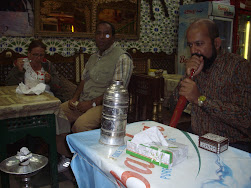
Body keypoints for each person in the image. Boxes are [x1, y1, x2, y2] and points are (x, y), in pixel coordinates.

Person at [56, 21, 133, 172]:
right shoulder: (93, 57)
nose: (101, 37)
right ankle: (67, 157)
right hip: (84, 101)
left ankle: (90, 166)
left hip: (106, 107)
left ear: (113, 37)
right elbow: (84, 80)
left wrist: (91, 104)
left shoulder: (122, 58)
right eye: (98, 33)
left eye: (106, 34)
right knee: (56, 112)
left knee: (81, 125)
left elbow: (116, 92)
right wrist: (74, 98)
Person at [172, 19, 251, 153]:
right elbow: (172, 105)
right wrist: (187, 76)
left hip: (232, 146)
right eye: (190, 45)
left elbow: (246, 118)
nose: (194, 50)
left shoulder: (240, 67)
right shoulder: (197, 67)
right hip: (198, 140)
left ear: (216, 43)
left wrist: (200, 100)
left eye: (199, 44)